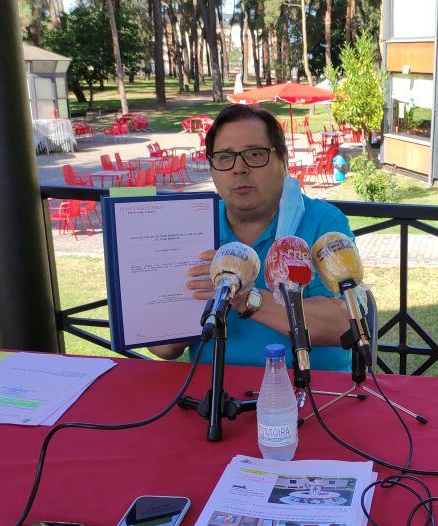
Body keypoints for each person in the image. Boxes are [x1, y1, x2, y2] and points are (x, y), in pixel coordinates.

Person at [150, 104, 352, 371]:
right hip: (214, 394)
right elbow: (162, 347)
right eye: (224, 157)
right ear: (212, 168)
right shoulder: (194, 227)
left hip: (311, 393)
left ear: (283, 161)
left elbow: (342, 325)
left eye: (255, 154)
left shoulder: (321, 222)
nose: (239, 168)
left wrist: (246, 298)